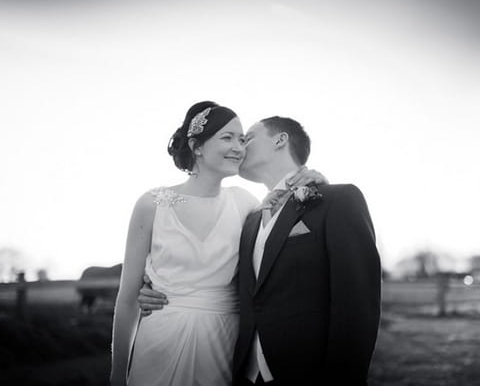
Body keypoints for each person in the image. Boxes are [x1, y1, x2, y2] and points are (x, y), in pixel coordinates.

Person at [139, 116, 381, 385]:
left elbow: (358, 305)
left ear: (280, 140)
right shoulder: (251, 217)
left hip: (308, 372)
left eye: (248, 138)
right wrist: (155, 286)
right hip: (243, 372)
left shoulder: (338, 200)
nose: (240, 147)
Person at [110, 102, 324, 386]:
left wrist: (315, 181)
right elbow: (127, 299)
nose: (239, 147)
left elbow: (278, 245)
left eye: (242, 139)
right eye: (228, 137)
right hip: (160, 337)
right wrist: (116, 374)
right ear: (197, 146)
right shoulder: (152, 204)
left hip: (223, 340)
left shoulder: (246, 204)